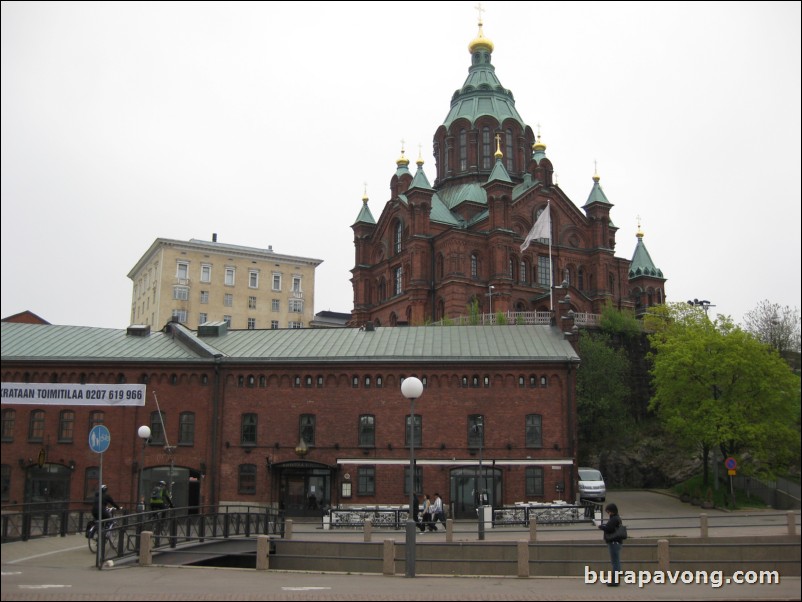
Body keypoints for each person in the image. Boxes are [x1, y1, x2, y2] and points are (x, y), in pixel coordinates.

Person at [598, 502, 623, 586]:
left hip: (613, 542)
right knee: (616, 562)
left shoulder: (614, 519)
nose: (608, 513)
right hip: (617, 542)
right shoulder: (617, 518)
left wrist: (601, 526)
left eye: (608, 512)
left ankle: (614, 581)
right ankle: (615, 580)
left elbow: (609, 528)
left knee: (615, 562)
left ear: (612, 511)